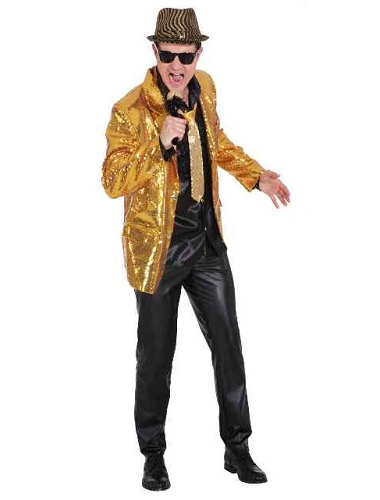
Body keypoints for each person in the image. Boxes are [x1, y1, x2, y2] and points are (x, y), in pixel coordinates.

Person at [101, 7, 290, 491]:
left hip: (206, 243)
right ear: (155, 52)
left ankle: (237, 447)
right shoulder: (130, 110)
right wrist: (159, 145)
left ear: (198, 55)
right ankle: (153, 455)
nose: (177, 66)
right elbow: (112, 181)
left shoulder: (204, 87)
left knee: (228, 345)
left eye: (185, 56)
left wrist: (256, 176)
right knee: (156, 358)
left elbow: (217, 142)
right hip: (157, 252)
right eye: (168, 56)